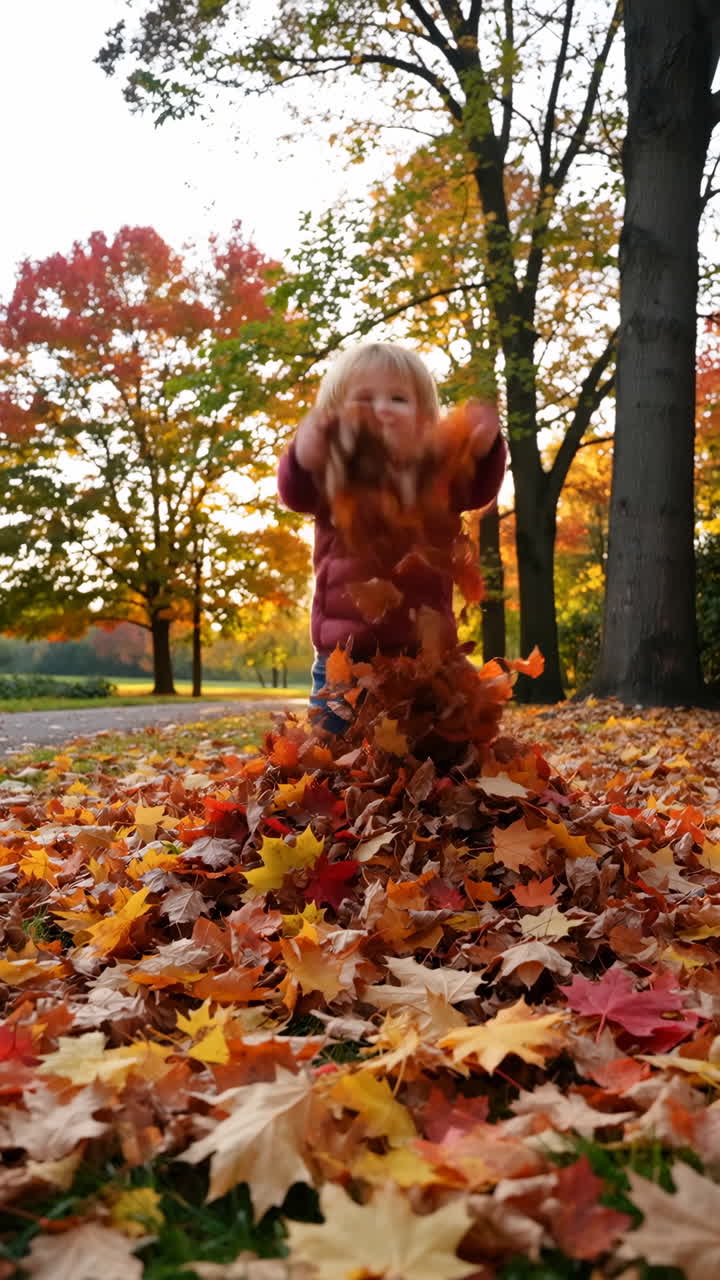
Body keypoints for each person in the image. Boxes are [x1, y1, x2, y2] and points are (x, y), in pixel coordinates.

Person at [277, 342, 507, 727]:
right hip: (346, 662)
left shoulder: (437, 476)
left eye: (398, 399)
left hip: (425, 662)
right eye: (364, 400)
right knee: (334, 755)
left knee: (436, 749)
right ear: (333, 418)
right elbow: (295, 491)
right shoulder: (334, 477)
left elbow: (478, 489)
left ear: (424, 419)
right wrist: (304, 452)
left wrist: (483, 450)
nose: (382, 409)